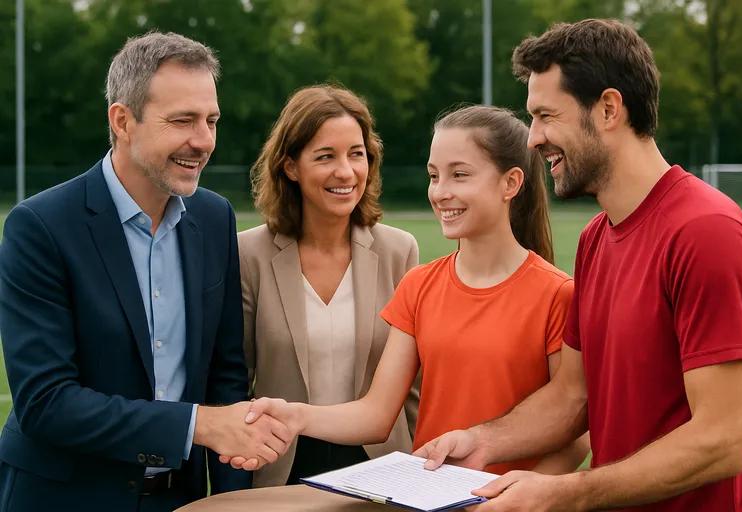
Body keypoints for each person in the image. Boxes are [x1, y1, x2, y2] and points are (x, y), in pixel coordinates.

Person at [411, 19, 742, 512]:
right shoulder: (596, 240)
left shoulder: (708, 233)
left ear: (607, 108)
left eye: (545, 116)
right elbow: (572, 397)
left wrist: (568, 492)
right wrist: (482, 441)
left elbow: (723, 440)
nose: (533, 139)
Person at [0, 32, 291, 512]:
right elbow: (45, 404)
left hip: (178, 501)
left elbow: (225, 379)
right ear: (123, 121)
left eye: (211, 121)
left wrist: (235, 500)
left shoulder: (214, 219)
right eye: (182, 121)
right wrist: (196, 425)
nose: (203, 141)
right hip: (61, 498)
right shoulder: (41, 227)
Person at [228, 104, 590, 477]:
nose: (440, 192)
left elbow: (577, 426)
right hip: (432, 499)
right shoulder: (418, 285)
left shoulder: (558, 295)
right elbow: (376, 415)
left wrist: (523, 492)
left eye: (459, 175)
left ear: (510, 184)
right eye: (434, 176)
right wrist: (296, 415)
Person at [236, 84, 421, 488]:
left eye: (357, 154)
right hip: (282, 469)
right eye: (325, 156)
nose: (346, 171)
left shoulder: (399, 251)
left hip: (382, 470)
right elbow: (235, 380)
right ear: (290, 166)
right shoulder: (248, 254)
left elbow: (414, 390)